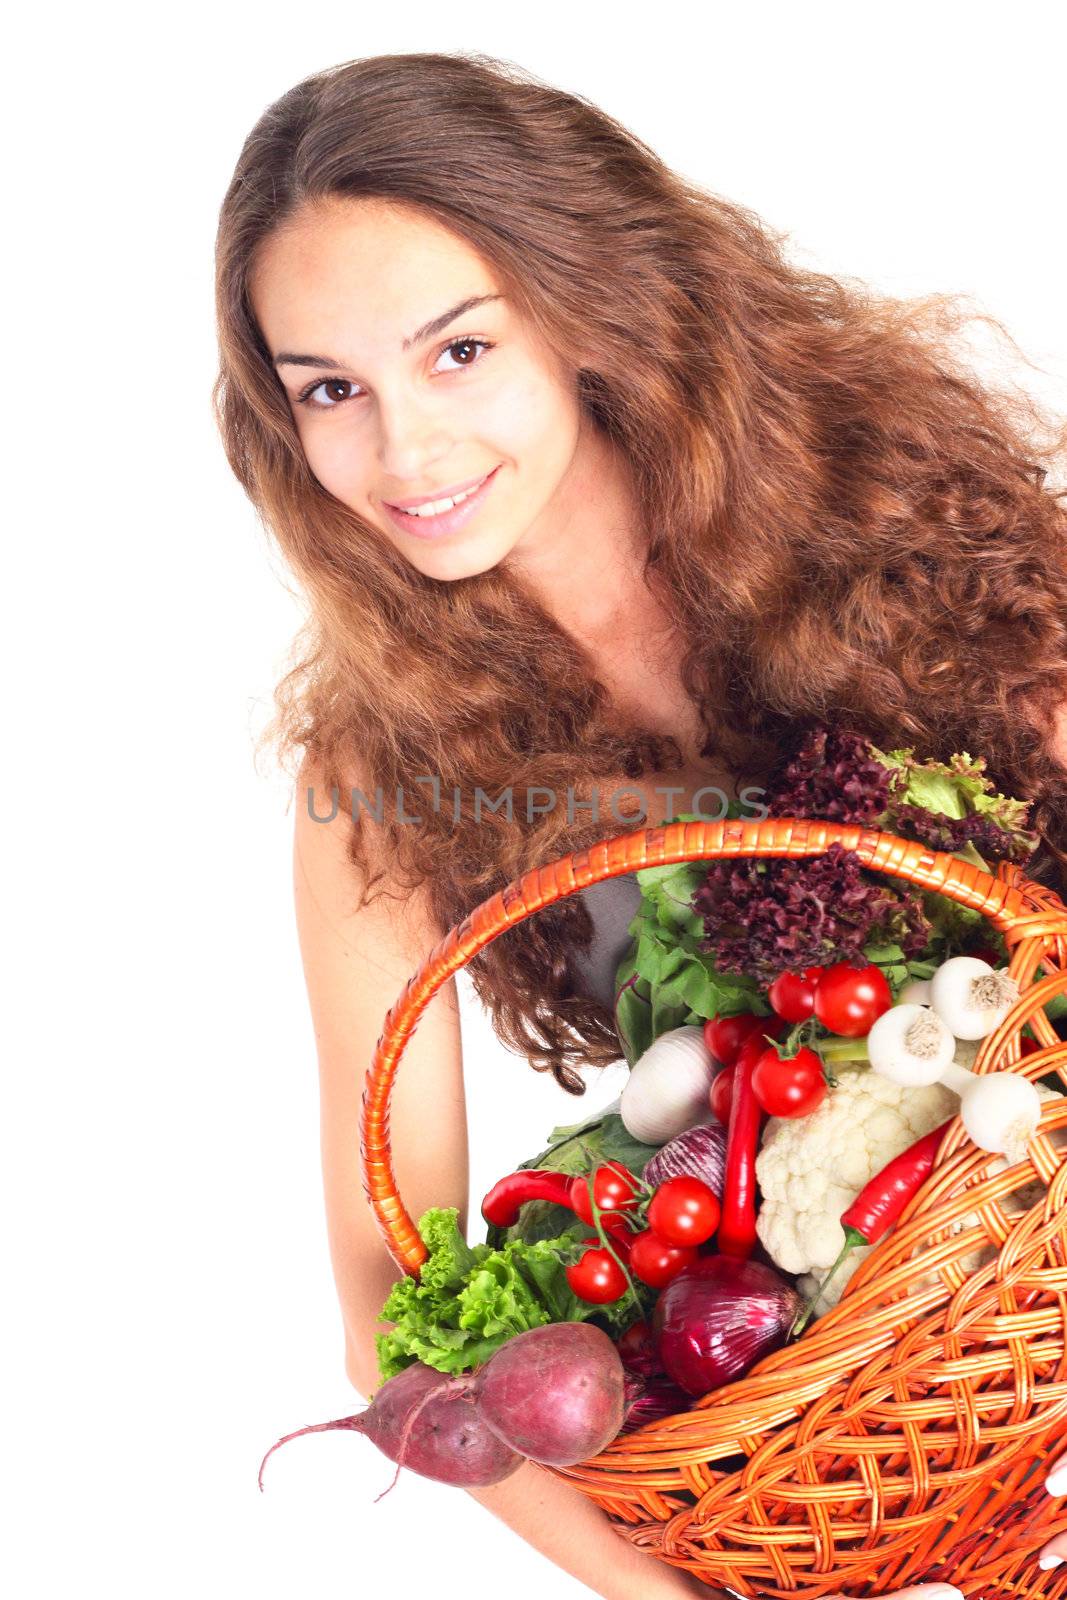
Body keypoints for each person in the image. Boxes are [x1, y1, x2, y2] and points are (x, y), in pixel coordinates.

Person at [214, 49, 1067, 1600]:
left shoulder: (887, 507)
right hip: (894, 1422)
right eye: (331, 390)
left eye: (457, 352)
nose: (401, 453)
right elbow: (390, 1310)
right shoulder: (377, 775)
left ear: (588, 305)